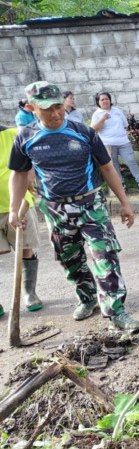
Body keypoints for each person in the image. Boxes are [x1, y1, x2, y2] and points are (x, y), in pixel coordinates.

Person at [8, 81, 139, 333]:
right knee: (70, 259)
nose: (56, 113)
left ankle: (116, 311)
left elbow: (107, 167)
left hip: (91, 204)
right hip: (55, 209)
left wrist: (125, 204)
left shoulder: (84, 132)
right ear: (31, 108)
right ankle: (87, 297)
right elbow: (18, 174)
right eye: (47, 108)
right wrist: (15, 208)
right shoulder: (25, 136)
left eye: (59, 106)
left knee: (105, 256)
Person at [1, 124, 43, 318]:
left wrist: (31, 177)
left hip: (18, 205)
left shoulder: (13, 134)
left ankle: (29, 294)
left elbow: (31, 161)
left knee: (25, 249)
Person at [91, 92, 139, 192]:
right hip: (108, 143)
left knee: (131, 160)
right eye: (102, 99)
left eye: (107, 99)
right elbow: (94, 129)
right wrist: (102, 119)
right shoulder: (97, 114)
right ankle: (121, 184)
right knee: (114, 165)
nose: (105, 101)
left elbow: (125, 125)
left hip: (123, 141)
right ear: (98, 102)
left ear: (110, 100)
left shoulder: (117, 111)